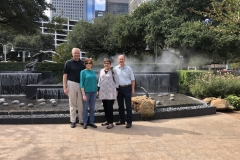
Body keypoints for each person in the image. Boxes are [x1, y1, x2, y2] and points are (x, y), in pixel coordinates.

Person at [63, 48, 85, 128]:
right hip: (71, 83)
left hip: (81, 85)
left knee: (81, 104)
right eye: (75, 53)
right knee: (72, 103)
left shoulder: (83, 63)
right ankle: (73, 121)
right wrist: (64, 87)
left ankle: (81, 120)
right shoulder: (68, 63)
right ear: (72, 54)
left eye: (78, 53)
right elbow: (65, 75)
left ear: (79, 54)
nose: (76, 54)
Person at [114, 54, 135, 128]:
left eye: (122, 59)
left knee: (128, 106)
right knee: (120, 106)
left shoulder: (129, 68)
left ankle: (129, 122)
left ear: (124, 60)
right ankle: (121, 120)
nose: (121, 60)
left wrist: (132, 89)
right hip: (119, 89)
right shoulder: (115, 69)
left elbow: (132, 79)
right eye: (119, 59)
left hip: (127, 88)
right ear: (118, 60)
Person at [97, 58, 119, 129]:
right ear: (104, 64)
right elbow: (99, 81)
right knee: (105, 107)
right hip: (103, 92)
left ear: (110, 64)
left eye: (108, 63)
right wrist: (98, 89)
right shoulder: (101, 71)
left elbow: (117, 81)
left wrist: (117, 90)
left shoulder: (113, 71)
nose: (106, 64)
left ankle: (111, 123)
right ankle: (107, 120)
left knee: (110, 107)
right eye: (105, 63)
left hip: (111, 92)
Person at [80, 58, 98, 129]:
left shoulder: (93, 72)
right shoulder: (82, 72)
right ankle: (85, 122)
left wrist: (96, 91)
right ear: (85, 64)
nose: (88, 64)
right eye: (87, 63)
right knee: (85, 108)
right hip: (86, 92)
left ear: (92, 64)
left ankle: (91, 122)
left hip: (93, 92)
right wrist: (83, 94)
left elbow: (95, 82)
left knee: (92, 108)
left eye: (89, 63)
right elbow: (81, 83)